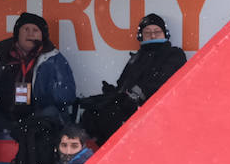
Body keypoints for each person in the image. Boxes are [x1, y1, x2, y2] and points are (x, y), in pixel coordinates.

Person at [80, 13, 186, 145]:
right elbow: (123, 83)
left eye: (157, 32)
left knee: (110, 118)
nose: (153, 35)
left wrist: (138, 94)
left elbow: (162, 80)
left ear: (165, 33)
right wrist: (112, 93)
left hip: (153, 108)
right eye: (147, 32)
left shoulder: (174, 54)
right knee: (91, 114)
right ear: (141, 35)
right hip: (127, 105)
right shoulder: (137, 57)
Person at [0, 13, 75, 164]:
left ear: (43, 35)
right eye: (26, 29)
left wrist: (45, 95)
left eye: (35, 30)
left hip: (38, 118)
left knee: (50, 114)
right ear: (17, 33)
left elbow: (67, 94)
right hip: (6, 118)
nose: (30, 33)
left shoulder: (54, 58)